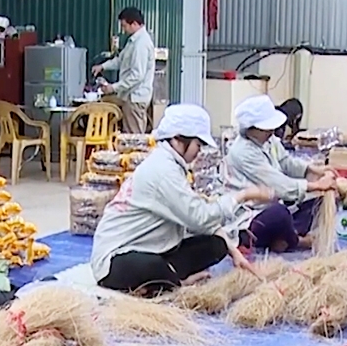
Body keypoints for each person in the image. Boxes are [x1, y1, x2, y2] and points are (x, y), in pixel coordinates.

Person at [90, 103, 274, 296]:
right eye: (198, 144)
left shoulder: (173, 166)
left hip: (154, 247)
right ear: (179, 139)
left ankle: (162, 281)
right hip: (116, 259)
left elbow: (202, 220)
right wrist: (242, 195)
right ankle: (173, 282)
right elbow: (198, 217)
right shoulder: (163, 171)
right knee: (152, 267)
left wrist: (234, 252)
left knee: (216, 245)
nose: (199, 151)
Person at [225, 95, 338, 253]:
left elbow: (286, 161)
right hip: (253, 216)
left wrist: (312, 169)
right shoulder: (242, 152)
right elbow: (279, 185)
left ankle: (285, 237)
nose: (271, 131)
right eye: (266, 128)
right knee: (279, 214)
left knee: (317, 201)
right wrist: (316, 184)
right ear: (252, 129)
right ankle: (296, 240)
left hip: (276, 203)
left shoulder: (270, 141)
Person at [91, 7, 156, 134]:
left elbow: (137, 76)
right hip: (129, 96)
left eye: (125, 26)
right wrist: (102, 66)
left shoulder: (141, 45)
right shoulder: (133, 42)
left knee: (134, 138)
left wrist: (113, 88)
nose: (123, 30)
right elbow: (120, 61)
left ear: (135, 24)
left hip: (135, 98)